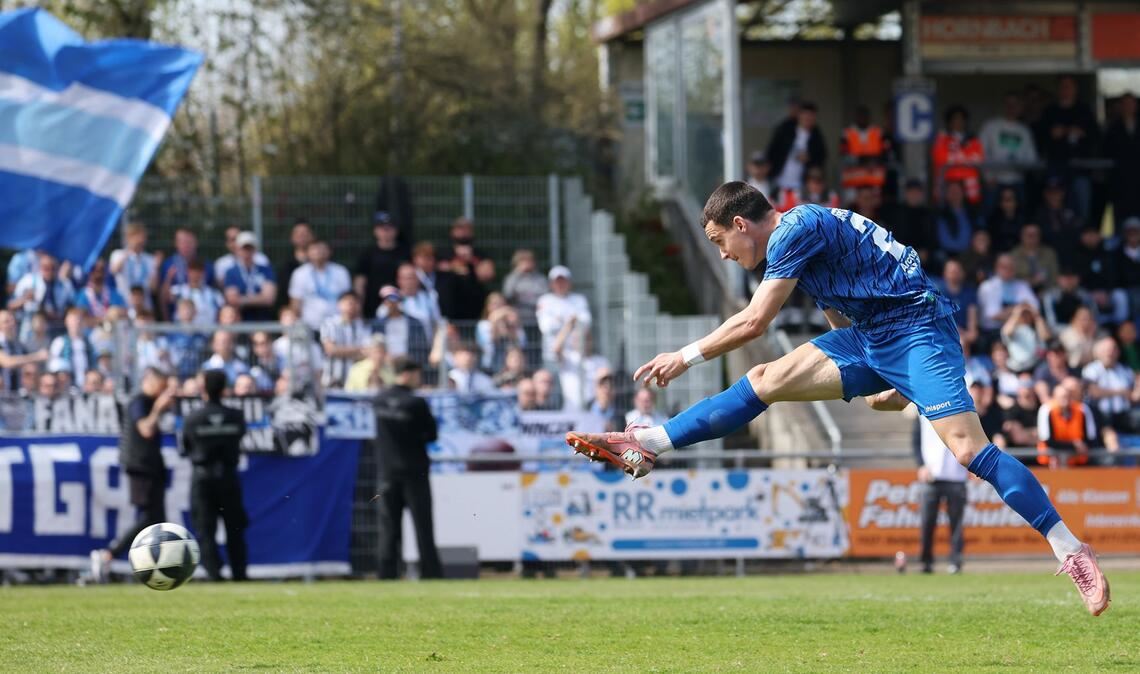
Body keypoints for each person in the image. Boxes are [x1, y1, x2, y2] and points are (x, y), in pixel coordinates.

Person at [566, 182, 1108, 615]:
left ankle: (1070, 549)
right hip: (871, 336)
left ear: (740, 224)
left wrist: (685, 356)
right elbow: (837, 304)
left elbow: (756, 320)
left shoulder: (792, 229)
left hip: (917, 328)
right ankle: (650, 443)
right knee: (765, 380)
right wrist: (872, 376)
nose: (725, 254)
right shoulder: (801, 235)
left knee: (969, 452)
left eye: (719, 242)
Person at [90, 367, 176, 582]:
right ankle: (110, 553)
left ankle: (159, 566)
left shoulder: (147, 402)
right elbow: (145, 429)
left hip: (151, 465)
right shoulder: (140, 401)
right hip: (141, 465)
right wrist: (158, 408)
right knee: (149, 518)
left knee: (157, 520)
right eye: (161, 385)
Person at [373, 358, 442, 580]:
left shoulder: (379, 400)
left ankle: (387, 574)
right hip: (415, 472)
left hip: (387, 472)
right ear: (409, 374)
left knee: (388, 527)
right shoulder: (416, 403)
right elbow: (432, 434)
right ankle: (431, 574)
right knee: (423, 527)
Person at [180, 369, 248, 581]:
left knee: (205, 529)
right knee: (234, 528)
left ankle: (214, 574)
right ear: (224, 389)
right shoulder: (236, 417)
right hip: (228, 477)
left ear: (203, 389)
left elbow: (186, 448)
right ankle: (239, 573)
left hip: (202, 479)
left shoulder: (193, 418)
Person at [914, 416, 968, 575]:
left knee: (956, 524)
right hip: (931, 476)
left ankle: (955, 561)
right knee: (927, 522)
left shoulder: (961, 408)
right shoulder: (922, 413)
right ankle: (926, 561)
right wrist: (921, 465)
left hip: (956, 475)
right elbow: (916, 442)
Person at [979, 92, 1038, 206]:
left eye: (1015, 104)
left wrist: (1020, 164)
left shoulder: (1024, 131)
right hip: (994, 181)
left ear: (1020, 108)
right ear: (1004, 106)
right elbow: (980, 151)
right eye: (1009, 104)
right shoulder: (991, 126)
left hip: (1017, 181)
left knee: (1019, 214)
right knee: (989, 215)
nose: (1012, 107)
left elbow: (1032, 158)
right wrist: (988, 176)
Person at [289, 240, 352, 332]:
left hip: (338, 326)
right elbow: (295, 302)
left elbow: (348, 300)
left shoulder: (341, 272)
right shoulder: (300, 273)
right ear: (307, 253)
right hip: (310, 326)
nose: (318, 252)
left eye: (322, 248)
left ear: (329, 251)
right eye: (314, 249)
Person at [355, 211, 408, 318]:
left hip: (400, 306)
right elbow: (360, 281)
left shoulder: (406, 252)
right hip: (372, 306)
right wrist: (359, 305)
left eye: (390, 228)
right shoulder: (367, 253)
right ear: (375, 230)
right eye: (382, 228)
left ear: (396, 230)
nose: (386, 231)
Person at [767, 101, 826, 195]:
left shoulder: (816, 136)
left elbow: (821, 157)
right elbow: (772, 150)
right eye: (805, 115)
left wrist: (809, 158)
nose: (808, 118)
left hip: (801, 184)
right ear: (799, 115)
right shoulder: (785, 129)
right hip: (779, 180)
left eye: (811, 116)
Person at [931, 105, 984, 204]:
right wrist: (964, 159)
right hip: (946, 185)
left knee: (970, 215)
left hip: (969, 189)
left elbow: (977, 159)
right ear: (949, 122)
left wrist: (955, 159)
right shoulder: (942, 138)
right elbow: (940, 158)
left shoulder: (973, 139)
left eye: (961, 119)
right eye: (955, 119)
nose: (958, 122)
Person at [1037, 383, 1096, 468]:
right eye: (1061, 397)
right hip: (1051, 463)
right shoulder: (1046, 410)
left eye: (1067, 396)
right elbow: (1047, 440)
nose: (1065, 400)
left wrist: (1079, 445)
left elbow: (1090, 438)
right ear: (1054, 397)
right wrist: (1074, 445)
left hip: (1078, 463)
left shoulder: (1082, 410)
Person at [320, 291, 371, 389]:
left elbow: (367, 352)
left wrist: (340, 350)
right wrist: (357, 350)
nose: (352, 306)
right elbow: (330, 350)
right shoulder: (329, 324)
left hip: (355, 383)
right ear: (339, 304)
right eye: (349, 303)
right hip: (332, 381)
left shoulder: (363, 326)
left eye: (356, 303)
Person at [223, 232, 278, 322]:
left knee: (260, 336)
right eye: (244, 248)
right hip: (238, 319)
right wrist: (259, 298)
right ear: (237, 249)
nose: (247, 252)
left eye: (250, 248)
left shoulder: (265, 270)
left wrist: (242, 299)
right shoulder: (231, 272)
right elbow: (232, 300)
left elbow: (269, 298)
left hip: (261, 318)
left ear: (255, 250)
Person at [1103, 93, 1140, 224]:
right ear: (1121, 106)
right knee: (1120, 217)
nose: (1128, 107)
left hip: (1138, 178)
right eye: (1125, 104)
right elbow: (1106, 150)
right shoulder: (1113, 126)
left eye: (1131, 103)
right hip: (1120, 180)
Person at [109, 222, 157, 311]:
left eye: (142, 237)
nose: (139, 241)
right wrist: (129, 251)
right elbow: (114, 271)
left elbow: (153, 288)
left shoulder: (150, 259)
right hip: (124, 306)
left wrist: (156, 268)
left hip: (144, 308)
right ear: (128, 238)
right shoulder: (118, 254)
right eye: (135, 237)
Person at [214, 225, 271, 289]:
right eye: (232, 240)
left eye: (238, 238)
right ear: (227, 243)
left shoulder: (261, 259)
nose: (235, 243)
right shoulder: (222, 263)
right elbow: (225, 289)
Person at [502, 249, 548, 323]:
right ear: (517, 263)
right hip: (517, 319)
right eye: (523, 261)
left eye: (529, 260)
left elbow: (545, 298)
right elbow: (508, 295)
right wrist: (518, 273)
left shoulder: (540, 279)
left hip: (537, 318)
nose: (527, 263)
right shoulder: (511, 278)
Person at [276, 220, 314, 306]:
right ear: (292, 238)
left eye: (305, 233)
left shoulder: (321, 264)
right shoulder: (285, 267)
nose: (302, 236)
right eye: (298, 233)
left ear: (312, 236)